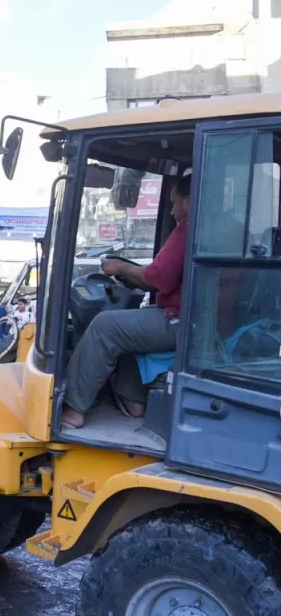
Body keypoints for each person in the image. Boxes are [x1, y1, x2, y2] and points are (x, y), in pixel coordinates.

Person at [62, 174, 190, 429]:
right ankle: (134, 401)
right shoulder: (218, 227)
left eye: (174, 203)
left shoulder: (189, 227)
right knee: (127, 324)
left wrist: (119, 267)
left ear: (188, 201)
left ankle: (73, 408)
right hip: (194, 319)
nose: (173, 210)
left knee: (104, 326)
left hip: (181, 322)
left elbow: (156, 279)